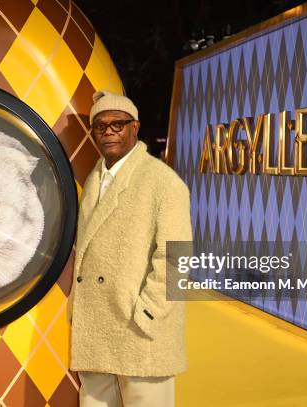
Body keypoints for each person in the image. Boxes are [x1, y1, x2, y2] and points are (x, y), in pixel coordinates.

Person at [67, 90, 192, 407]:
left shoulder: (163, 182)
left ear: (135, 128)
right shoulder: (95, 178)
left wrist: (147, 313)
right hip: (97, 328)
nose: (108, 132)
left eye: (117, 124)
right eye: (100, 126)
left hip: (141, 331)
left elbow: (177, 259)